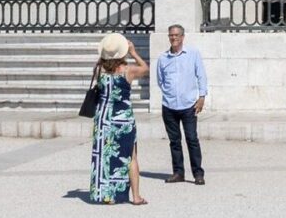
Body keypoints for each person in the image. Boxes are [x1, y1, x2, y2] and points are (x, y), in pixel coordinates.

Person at [87, 32, 149, 205]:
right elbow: (145, 68)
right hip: (123, 119)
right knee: (131, 157)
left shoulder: (99, 70)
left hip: (103, 117)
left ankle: (108, 195)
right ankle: (135, 196)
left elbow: (102, 62)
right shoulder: (128, 71)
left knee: (104, 155)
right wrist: (134, 52)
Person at [153, 24, 207, 187]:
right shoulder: (163, 58)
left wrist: (202, 96)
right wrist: (170, 93)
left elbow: (201, 75)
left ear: (182, 37)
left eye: (176, 35)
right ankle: (178, 172)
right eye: (171, 35)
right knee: (174, 141)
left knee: (192, 139)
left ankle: (198, 173)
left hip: (189, 105)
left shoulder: (193, 54)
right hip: (169, 106)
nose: (173, 38)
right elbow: (160, 80)